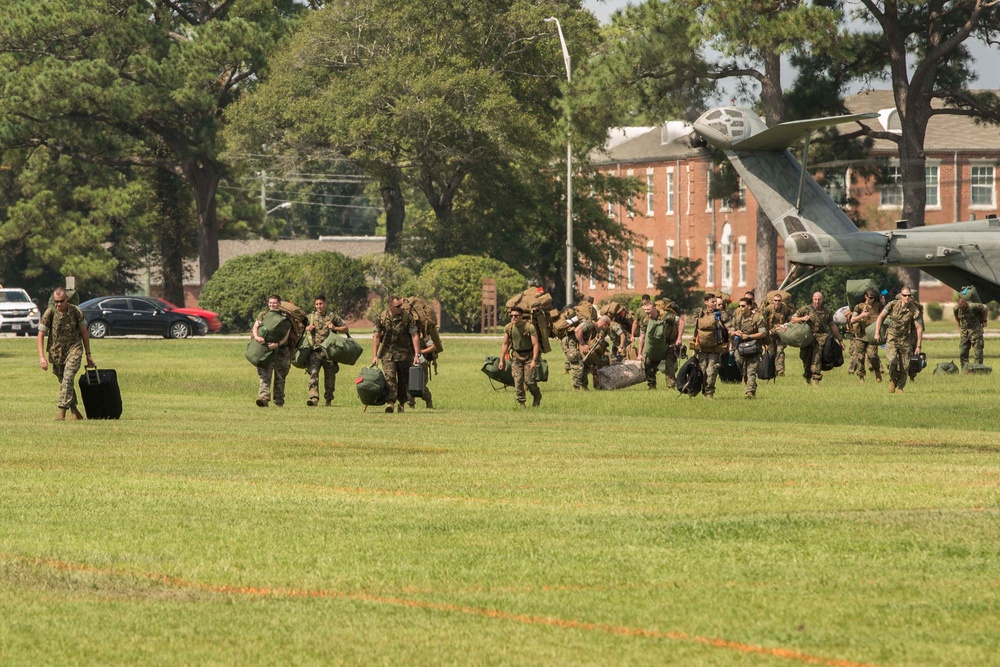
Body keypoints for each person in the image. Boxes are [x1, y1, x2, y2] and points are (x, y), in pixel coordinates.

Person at [37, 287, 93, 420]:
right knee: (64, 382)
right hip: (56, 353)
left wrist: (88, 355)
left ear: (67, 299)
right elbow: (40, 334)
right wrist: (41, 357)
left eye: (61, 301)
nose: (58, 304)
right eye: (56, 301)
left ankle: (61, 411)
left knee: (68, 377)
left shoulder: (76, 311)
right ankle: (75, 412)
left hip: (74, 349)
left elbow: (84, 333)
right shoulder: (50, 313)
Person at [371, 296, 421, 413]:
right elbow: (376, 336)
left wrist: (417, 355)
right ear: (390, 306)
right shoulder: (382, 317)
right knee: (390, 378)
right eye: (398, 306)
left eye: (401, 305)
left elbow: (414, 335)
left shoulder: (407, 317)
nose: (400, 307)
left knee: (404, 381)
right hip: (387, 354)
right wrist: (374, 356)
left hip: (405, 354)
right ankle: (390, 402)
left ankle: (402, 403)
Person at [874, 288, 923, 394]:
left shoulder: (914, 309)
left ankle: (900, 387)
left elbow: (919, 328)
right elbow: (881, 317)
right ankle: (893, 380)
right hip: (892, 337)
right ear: (901, 295)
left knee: (905, 366)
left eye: (909, 295)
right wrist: (877, 332)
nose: (907, 297)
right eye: (905, 295)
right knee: (892, 361)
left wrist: (918, 346)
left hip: (905, 339)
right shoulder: (892, 305)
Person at [790, 291, 843, 387]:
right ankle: (807, 377)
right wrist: (802, 318)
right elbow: (793, 319)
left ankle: (816, 379)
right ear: (812, 299)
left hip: (821, 338)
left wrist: (840, 340)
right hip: (807, 337)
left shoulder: (827, 312)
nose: (817, 301)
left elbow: (832, 326)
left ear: (822, 300)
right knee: (806, 358)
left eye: (819, 299)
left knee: (816, 358)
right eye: (815, 299)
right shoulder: (805, 309)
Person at [305, 295, 349, 406]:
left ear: (325, 304)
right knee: (313, 374)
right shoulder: (310, 318)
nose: (319, 306)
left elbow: (346, 328)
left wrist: (334, 328)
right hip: (315, 351)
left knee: (330, 378)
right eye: (316, 304)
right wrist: (307, 328)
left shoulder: (333, 317)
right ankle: (313, 397)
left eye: (321, 304)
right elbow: (300, 328)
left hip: (330, 353)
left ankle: (328, 400)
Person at [251, 294, 291, 407]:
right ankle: (263, 398)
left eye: (274, 303)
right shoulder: (263, 315)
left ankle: (279, 401)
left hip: (281, 350)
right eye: (270, 303)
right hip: (265, 349)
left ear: (279, 304)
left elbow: (286, 334)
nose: (272, 305)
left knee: (280, 376)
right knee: (264, 373)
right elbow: (255, 326)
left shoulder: (285, 317)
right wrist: (257, 337)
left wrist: (278, 344)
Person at [498, 306, 542, 408]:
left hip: (529, 356)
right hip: (516, 356)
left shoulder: (529, 327)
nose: (513, 318)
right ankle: (521, 403)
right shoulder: (509, 328)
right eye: (511, 316)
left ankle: (537, 395)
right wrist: (501, 360)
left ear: (521, 316)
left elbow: (535, 345)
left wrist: (534, 360)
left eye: (516, 316)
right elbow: (505, 344)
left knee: (529, 381)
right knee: (518, 381)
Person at [692, 296, 731, 399]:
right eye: (712, 302)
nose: (714, 304)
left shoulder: (721, 315)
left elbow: (730, 328)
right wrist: (694, 349)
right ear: (706, 302)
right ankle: (703, 390)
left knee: (711, 371)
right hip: (702, 349)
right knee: (702, 371)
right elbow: (696, 331)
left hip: (715, 349)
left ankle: (709, 393)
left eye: (715, 302)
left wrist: (730, 342)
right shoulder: (700, 315)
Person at [730, 296, 767, 399]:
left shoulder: (757, 317)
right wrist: (735, 333)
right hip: (740, 348)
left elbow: (763, 333)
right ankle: (750, 385)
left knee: (751, 370)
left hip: (754, 347)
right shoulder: (737, 318)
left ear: (749, 307)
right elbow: (731, 330)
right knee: (743, 370)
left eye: (743, 306)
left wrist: (749, 336)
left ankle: (749, 392)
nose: (740, 308)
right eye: (739, 306)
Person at [845, 288, 883, 382]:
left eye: (874, 298)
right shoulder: (859, 307)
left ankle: (877, 371)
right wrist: (862, 315)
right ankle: (861, 376)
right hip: (860, 336)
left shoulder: (878, 306)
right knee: (859, 357)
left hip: (872, 335)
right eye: (870, 297)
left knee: (872, 355)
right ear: (866, 297)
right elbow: (853, 320)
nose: (872, 299)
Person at [567, 314, 610, 390]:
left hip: (579, 342)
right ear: (604, 324)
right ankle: (576, 388)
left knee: (586, 363)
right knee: (578, 363)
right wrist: (583, 344)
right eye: (608, 326)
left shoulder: (597, 330)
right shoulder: (590, 324)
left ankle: (584, 387)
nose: (607, 328)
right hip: (572, 342)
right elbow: (577, 330)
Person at [761, 292, 793, 376]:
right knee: (772, 352)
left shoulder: (786, 309)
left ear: (781, 301)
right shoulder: (768, 309)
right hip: (770, 334)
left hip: (781, 333)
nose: (777, 302)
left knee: (780, 350)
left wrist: (784, 326)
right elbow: (762, 320)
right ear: (773, 301)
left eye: (779, 301)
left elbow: (791, 320)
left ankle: (780, 370)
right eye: (775, 300)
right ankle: (772, 371)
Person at [954, 296, 988, 367]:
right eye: (960, 308)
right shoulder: (956, 309)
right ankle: (965, 369)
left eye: (963, 308)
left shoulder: (973, 306)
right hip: (965, 333)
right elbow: (957, 318)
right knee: (963, 352)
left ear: (965, 303)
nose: (962, 309)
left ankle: (978, 368)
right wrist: (959, 326)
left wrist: (984, 321)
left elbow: (985, 308)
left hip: (976, 332)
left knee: (978, 353)